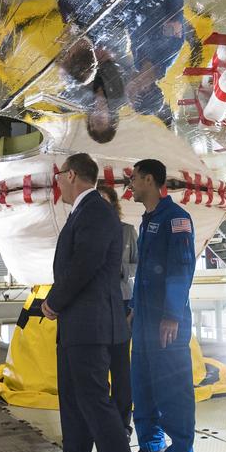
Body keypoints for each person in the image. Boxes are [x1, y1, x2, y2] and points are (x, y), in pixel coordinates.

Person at [35, 153, 154, 452]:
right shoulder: (85, 213)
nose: (57, 185)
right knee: (72, 398)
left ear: (71, 175)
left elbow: (82, 267)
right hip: (79, 325)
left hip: (88, 325)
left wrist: (53, 302)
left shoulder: (96, 212)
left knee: (97, 407)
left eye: (60, 178)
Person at [128, 158, 197, 452]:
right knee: (143, 385)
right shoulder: (148, 220)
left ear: (150, 180)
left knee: (172, 388)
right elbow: (145, 274)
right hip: (143, 322)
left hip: (167, 323)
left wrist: (171, 314)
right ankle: (152, 447)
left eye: (135, 178)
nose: (131, 184)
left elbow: (181, 270)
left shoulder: (177, 219)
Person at [96, 184, 136, 434]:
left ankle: (123, 421)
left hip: (121, 303)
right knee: (98, 366)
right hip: (97, 305)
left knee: (121, 366)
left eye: (105, 200)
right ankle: (103, 419)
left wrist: (122, 270)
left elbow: (138, 266)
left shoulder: (127, 232)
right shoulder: (88, 232)